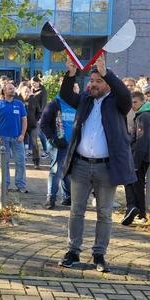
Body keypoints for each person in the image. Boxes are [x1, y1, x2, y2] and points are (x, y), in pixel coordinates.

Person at [58, 56, 135, 273]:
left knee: (104, 213)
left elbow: (126, 96)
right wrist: (71, 74)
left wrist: (107, 72)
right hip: (81, 166)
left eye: (98, 81)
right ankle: (73, 251)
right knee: (76, 211)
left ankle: (99, 254)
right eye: (91, 80)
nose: (92, 84)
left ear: (107, 84)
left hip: (106, 168)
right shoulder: (85, 99)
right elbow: (65, 95)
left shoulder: (117, 102)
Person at [0, 82, 28, 193]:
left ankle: (20, 184)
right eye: (10, 89)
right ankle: (5, 185)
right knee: (4, 163)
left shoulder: (19, 104)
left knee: (20, 162)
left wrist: (22, 134)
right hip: (3, 139)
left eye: (13, 88)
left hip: (17, 138)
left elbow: (24, 120)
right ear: (4, 91)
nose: (12, 90)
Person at [40, 94, 76, 209]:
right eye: (71, 89)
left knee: (68, 171)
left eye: (75, 89)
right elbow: (43, 124)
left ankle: (67, 197)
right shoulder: (54, 104)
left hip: (73, 144)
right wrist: (53, 138)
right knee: (56, 170)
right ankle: (51, 198)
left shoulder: (77, 104)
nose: (74, 92)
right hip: (58, 144)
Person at [122, 91, 149, 225]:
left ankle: (137, 210)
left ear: (142, 102)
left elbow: (142, 141)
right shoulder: (142, 114)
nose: (133, 105)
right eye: (131, 102)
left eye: (135, 102)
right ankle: (136, 210)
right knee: (135, 183)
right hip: (139, 155)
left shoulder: (143, 116)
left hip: (140, 157)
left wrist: (136, 162)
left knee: (135, 183)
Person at [20, 84, 41, 169]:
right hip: (22, 125)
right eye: (25, 91)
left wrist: (36, 119)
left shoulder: (34, 99)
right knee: (21, 143)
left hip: (33, 125)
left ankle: (36, 162)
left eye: (28, 91)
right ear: (21, 93)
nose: (27, 93)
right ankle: (22, 160)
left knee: (34, 143)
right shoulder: (19, 101)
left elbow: (39, 112)